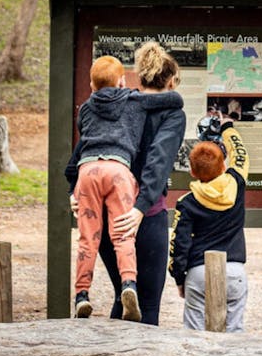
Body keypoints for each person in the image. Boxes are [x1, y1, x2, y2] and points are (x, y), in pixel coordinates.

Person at [66, 54, 183, 322]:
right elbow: (158, 162)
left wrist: (74, 191)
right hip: (145, 213)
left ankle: (85, 300)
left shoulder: (111, 105)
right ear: (172, 80)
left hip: (104, 211)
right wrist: (140, 209)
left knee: (123, 297)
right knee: (149, 304)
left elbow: (85, 151)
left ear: (138, 77)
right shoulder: (169, 114)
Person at [168, 117, 250, 332]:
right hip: (234, 270)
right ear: (223, 166)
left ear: (192, 173)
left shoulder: (186, 203)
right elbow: (241, 155)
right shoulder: (236, 183)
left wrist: (179, 278)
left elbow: (179, 244)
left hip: (198, 272)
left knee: (194, 337)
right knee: (235, 335)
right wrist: (228, 129)